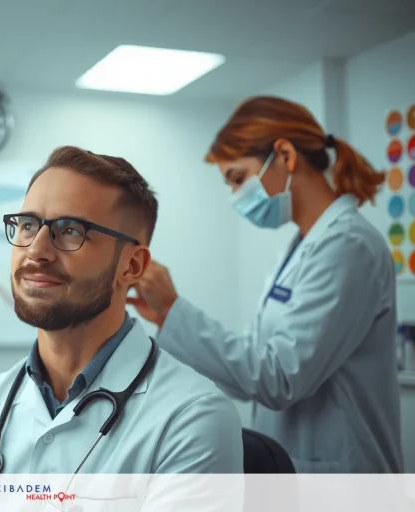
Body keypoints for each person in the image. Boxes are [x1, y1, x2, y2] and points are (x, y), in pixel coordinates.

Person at [128, 95, 403, 473]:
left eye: (238, 178)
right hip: (299, 471)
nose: (235, 197)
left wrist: (175, 309)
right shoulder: (303, 247)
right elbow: (252, 375)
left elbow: (278, 379)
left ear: (285, 155)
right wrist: (167, 317)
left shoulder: (349, 246)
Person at [0, 146, 243, 482]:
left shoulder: (192, 417)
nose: (36, 250)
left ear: (132, 265)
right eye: (28, 225)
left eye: (71, 230)